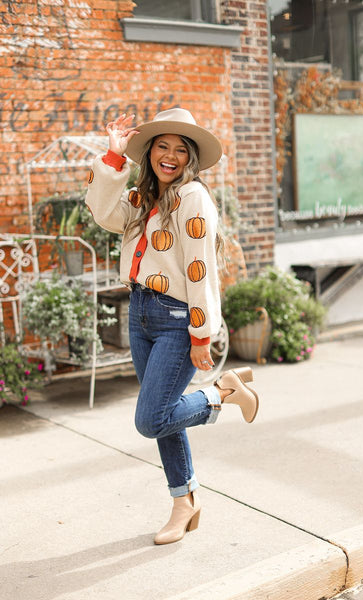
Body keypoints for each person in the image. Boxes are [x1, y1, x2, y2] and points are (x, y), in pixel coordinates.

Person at [85, 108, 259, 545]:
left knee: (151, 419)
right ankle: (185, 502)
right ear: (151, 153)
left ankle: (220, 393)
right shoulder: (144, 196)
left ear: (191, 160)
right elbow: (102, 212)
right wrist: (112, 157)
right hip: (140, 312)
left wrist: (202, 335)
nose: (171, 155)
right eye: (163, 146)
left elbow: (200, 269)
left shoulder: (193, 198)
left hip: (177, 320)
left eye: (181, 150)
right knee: (165, 420)